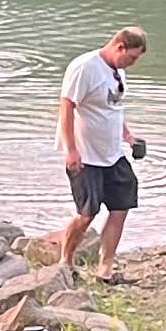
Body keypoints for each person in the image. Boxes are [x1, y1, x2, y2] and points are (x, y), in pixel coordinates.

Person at [55, 23, 148, 281]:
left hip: (113, 153)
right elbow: (66, 107)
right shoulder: (84, 67)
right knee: (87, 214)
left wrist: (128, 136)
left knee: (121, 207)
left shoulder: (117, 71)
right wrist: (71, 150)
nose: (132, 63)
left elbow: (113, 108)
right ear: (119, 46)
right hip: (86, 155)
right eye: (131, 57)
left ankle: (105, 269)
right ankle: (66, 262)